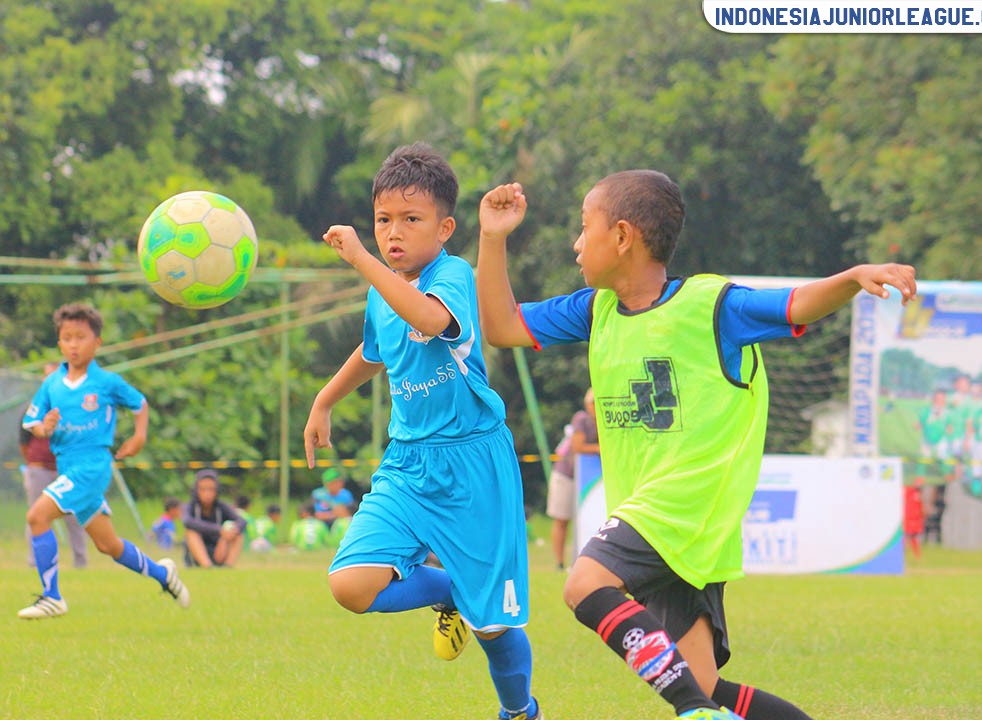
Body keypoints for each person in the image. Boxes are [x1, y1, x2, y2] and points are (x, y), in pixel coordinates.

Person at [475, 172, 916, 719]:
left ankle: (694, 715)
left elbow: (796, 304)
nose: (575, 243)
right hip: (660, 518)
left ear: (621, 236)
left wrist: (851, 277)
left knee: (584, 584)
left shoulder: (712, 304)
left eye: (582, 227)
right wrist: (492, 238)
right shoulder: (597, 309)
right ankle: (700, 707)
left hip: (685, 504)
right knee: (703, 682)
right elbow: (499, 327)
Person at [303, 143, 542, 720]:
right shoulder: (384, 288)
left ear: (445, 227)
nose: (393, 232)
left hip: (473, 466)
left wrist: (362, 258)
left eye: (411, 220)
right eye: (384, 219)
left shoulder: (451, 274)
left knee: (494, 626)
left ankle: (520, 713)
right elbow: (374, 350)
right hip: (408, 463)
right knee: (349, 586)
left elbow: (430, 319)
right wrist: (324, 400)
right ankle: (449, 591)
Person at [19, 303, 189, 619]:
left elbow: (140, 403)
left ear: (97, 342)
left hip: (92, 466)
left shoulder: (107, 382)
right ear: (59, 342)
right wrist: (46, 427)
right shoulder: (52, 384)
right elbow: (33, 422)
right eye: (66, 337)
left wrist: (139, 437)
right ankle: (163, 574)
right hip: (68, 466)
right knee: (108, 545)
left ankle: (51, 596)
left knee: (36, 517)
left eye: (80, 337)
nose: (73, 344)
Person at [20, 360, 89, 569]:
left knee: (74, 515)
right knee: (36, 514)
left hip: (65, 470)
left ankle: (80, 563)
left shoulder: (73, 407)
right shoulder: (33, 408)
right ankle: (35, 562)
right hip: (39, 468)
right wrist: (35, 463)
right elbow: (24, 441)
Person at [547, 387, 599, 570]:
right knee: (562, 518)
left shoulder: (602, 422)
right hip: (566, 475)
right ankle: (560, 563)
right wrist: (599, 449)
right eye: (593, 403)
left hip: (586, 479)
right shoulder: (581, 419)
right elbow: (578, 447)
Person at [182, 468, 246, 568]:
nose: (207, 494)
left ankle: (227, 567)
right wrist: (218, 530)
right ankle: (207, 566)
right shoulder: (191, 506)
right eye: (203, 489)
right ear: (196, 490)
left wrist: (231, 531)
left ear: (217, 491)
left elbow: (242, 521)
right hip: (198, 553)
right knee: (191, 532)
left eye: (211, 489)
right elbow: (187, 521)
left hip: (219, 550)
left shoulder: (221, 507)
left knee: (238, 535)